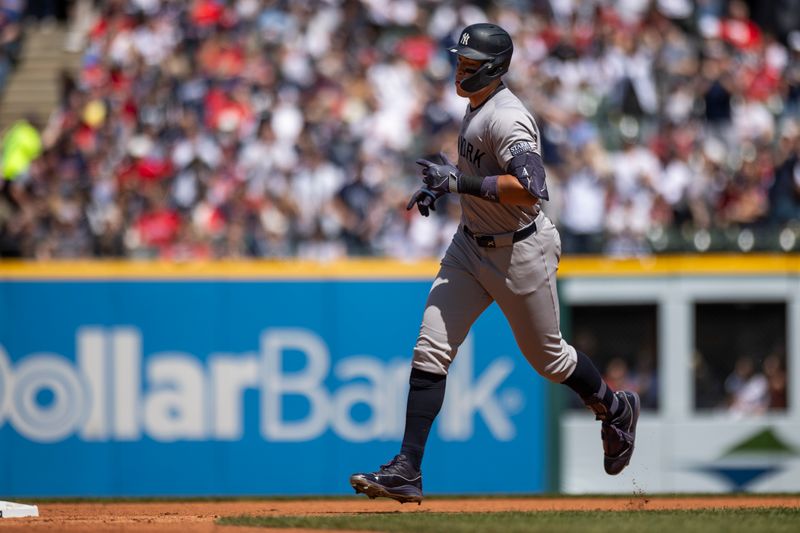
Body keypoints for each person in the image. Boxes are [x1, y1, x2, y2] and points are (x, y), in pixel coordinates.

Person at [349, 23, 640, 504]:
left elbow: (532, 186)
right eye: (458, 61)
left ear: (492, 68)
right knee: (430, 347)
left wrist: (458, 184)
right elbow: (488, 174)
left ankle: (614, 407)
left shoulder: (507, 116)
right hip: (469, 246)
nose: (458, 69)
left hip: (519, 250)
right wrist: (448, 182)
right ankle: (407, 469)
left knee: (550, 359)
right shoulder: (480, 106)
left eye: (468, 64)